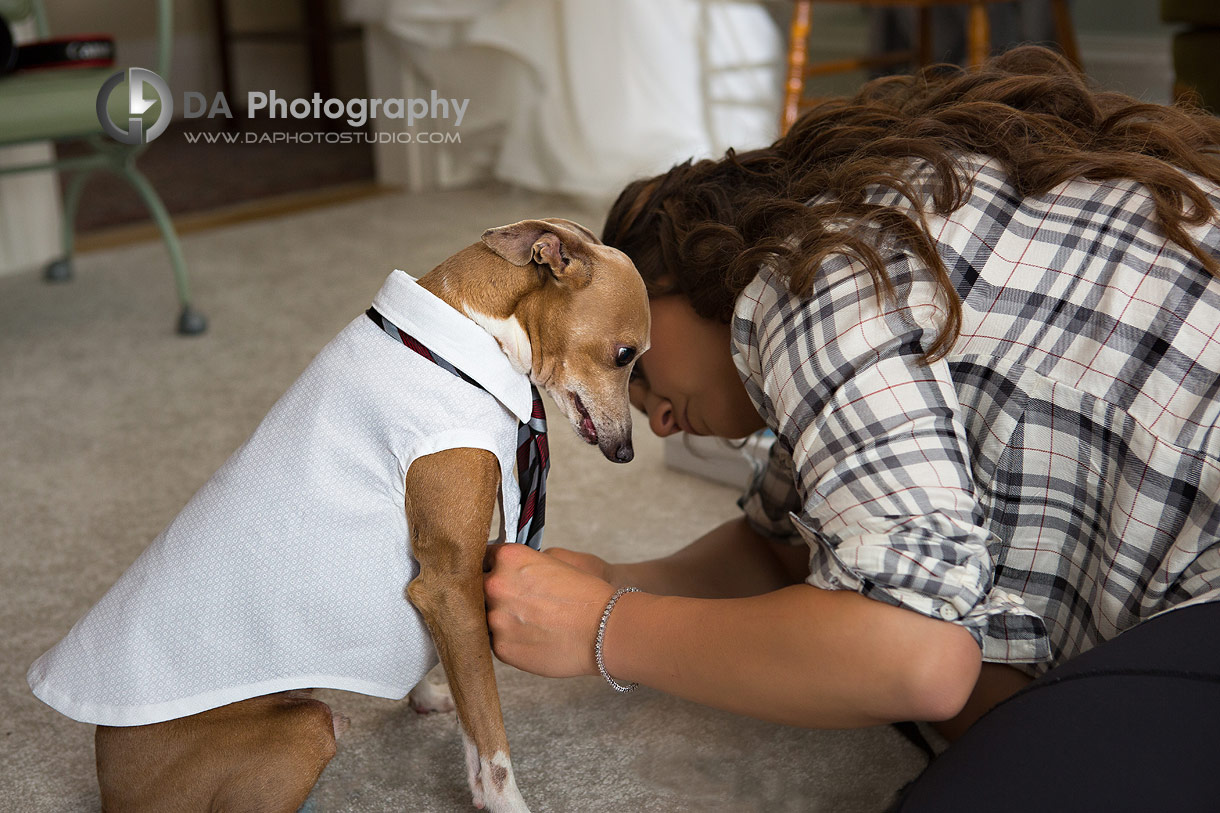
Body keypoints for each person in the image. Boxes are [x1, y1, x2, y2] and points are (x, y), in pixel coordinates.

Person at [482, 46, 1220, 809]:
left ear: (667, 272)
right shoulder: (851, 243)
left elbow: (916, 659)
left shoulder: (807, 281)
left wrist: (606, 627)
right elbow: (783, 552)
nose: (659, 419)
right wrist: (610, 579)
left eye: (627, 364)